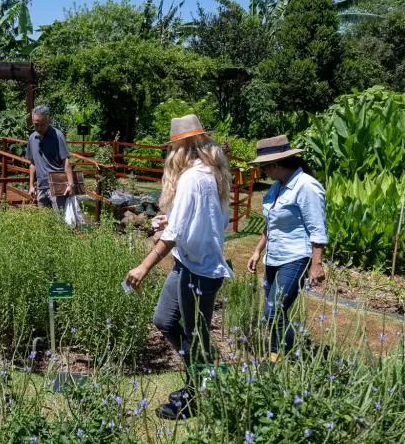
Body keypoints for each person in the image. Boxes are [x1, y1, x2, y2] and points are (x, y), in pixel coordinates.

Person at [125, 114, 233, 420]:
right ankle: (204, 375)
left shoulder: (193, 177)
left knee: (193, 335)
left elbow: (174, 236)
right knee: (164, 319)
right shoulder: (211, 174)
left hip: (200, 270)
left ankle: (198, 392)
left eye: (170, 148)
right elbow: (205, 221)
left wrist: (143, 266)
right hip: (188, 263)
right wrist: (170, 219)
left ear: (180, 148)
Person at [246, 135, 328, 361]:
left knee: (274, 311)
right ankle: (277, 360)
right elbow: (271, 223)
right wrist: (257, 250)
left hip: (296, 258)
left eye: (264, 167)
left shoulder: (306, 187)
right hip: (274, 258)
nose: (263, 172)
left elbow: (317, 228)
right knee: (273, 314)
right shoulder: (277, 187)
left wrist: (317, 264)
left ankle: (288, 356)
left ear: (275, 164)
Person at [26, 105, 74, 210]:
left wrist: (70, 184)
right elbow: (32, 164)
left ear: (48, 121)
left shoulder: (57, 136)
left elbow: (66, 161)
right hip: (41, 186)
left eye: (42, 125)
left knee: (60, 219)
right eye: (36, 125)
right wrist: (31, 186)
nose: (39, 128)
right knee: (45, 220)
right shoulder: (32, 138)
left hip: (58, 184)